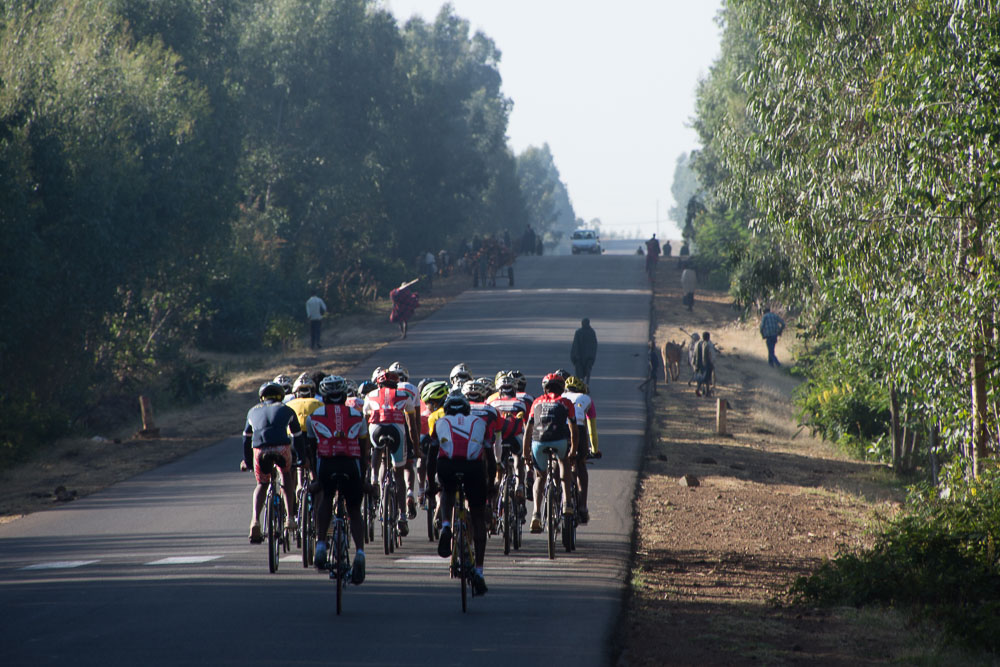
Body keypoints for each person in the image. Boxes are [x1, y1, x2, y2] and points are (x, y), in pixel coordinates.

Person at [306, 375, 370, 584]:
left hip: (327, 464)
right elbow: (364, 451)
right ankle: (360, 553)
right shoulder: (357, 415)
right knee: (353, 509)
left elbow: (310, 450)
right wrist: (364, 479)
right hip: (351, 465)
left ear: (323, 396)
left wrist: (315, 478)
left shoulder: (313, 416)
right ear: (344, 395)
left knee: (325, 499)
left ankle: (321, 545)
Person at [429, 393, 490, 596]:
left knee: (447, 489)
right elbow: (489, 457)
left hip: (447, 466)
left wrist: (431, 484)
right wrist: (490, 484)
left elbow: (431, 457)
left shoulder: (440, 421)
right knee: (478, 517)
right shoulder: (480, 421)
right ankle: (479, 572)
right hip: (474, 469)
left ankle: (446, 525)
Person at [241, 382, 305, 543]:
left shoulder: (252, 411)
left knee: (262, 484)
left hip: (260, 449)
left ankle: (255, 520)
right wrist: (302, 458)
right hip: (282, 448)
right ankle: (290, 517)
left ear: (262, 397)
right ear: (281, 396)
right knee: (285, 474)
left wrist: (248, 461)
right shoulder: (287, 409)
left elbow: (245, 439)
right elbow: (297, 437)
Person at [363, 368, 418, 537]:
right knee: (399, 474)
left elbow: (364, 423)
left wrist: (365, 451)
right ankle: (402, 516)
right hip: (396, 430)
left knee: (376, 448)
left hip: (375, 429)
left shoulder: (370, 395)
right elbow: (412, 426)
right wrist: (416, 447)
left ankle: (373, 477)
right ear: (396, 383)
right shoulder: (403, 395)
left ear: (378, 383)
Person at [523, 373, 577, 533]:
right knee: (564, 462)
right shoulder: (565, 402)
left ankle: (536, 515)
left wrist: (526, 454)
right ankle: (567, 503)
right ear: (561, 388)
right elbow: (574, 428)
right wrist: (573, 450)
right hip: (559, 440)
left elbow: (528, 430)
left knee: (540, 476)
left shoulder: (536, 402)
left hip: (538, 443)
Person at [562, 376, 599, 524]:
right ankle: (583, 507)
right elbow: (592, 430)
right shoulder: (586, 399)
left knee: (561, 462)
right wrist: (594, 450)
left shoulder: (560, 396)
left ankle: (561, 499)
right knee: (581, 464)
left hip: (560, 430)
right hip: (579, 429)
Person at [570, 318, 598, 384]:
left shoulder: (582, 332)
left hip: (583, 357)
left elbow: (575, 345)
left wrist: (574, 356)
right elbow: (594, 346)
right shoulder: (591, 332)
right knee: (584, 372)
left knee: (582, 373)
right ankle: (584, 384)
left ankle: (583, 384)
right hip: (584, 357)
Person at [693, 331, 716, 397]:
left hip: (698, 363)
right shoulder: (707, 344)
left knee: (701, 377)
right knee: (707, 378)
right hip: (706, 363)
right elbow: (710, 354)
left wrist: (694, 363)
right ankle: (707, 392)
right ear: (708, 337)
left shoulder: (697, 343)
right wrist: (712, 363)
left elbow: (694, 353)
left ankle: (698, 389)